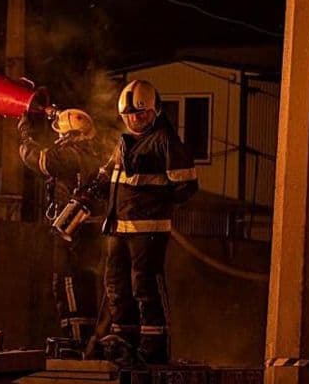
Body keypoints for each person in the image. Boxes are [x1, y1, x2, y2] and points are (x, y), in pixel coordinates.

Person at [93, 79, 198, 367]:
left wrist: (154, 198)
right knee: (116, 286)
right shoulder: (123, 143)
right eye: (129, 115)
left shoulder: (165, 142)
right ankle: (123, 342)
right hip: (119, 229)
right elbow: (106, 180)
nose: (135, 120)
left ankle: (153, 348)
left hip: (148, 232)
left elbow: (185, 188)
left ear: (155, 111)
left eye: (141, 114)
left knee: (145, 285)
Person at [18, 108, 105, 350]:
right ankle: (86, 342)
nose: (58, 138)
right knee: (84, 287)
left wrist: (25, 134)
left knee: (68, 285)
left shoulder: (70, 154)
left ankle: (77, 345)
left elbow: (38, 159)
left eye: (61, 134)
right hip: (88, 233)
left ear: (71, 135)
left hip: (71, 234)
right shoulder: (95, 152)